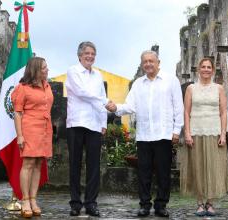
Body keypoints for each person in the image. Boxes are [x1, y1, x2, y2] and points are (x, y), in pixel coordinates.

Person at [106, 50, 184, 218]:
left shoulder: (171, 81)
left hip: (163, 134)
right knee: (144, 172)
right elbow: (129, 106)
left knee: (163, 173)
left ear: (158, 62)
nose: (148, 64)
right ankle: (144, 205)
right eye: (145, 62)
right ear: (142, 64)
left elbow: (179, 107)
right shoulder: (138, 84)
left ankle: (161, 205)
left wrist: (176, 131)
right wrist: (116, 108)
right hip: (144, 135)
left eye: (151, 61)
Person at [180, 57, 228, 217]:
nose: (206, 69)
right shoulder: (191, 89)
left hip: (214, 133)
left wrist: (223, 133)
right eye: (203, 67)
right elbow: (186, 112)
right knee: (198, 167)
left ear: (213, 70)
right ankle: (200, 203)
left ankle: (210, 203)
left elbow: (223, 112)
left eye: (209, 67)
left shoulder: (219, 88)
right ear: (198, 70)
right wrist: (187, 132)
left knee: (214, 167)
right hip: (196, 132)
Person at [66, 41, 108, 217]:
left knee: (94, 166)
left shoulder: (98, 75)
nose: (90, 56)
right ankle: (75, 203)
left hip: (94, 124)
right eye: (87, 53)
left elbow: (102, 96)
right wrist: (104, 101)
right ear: (79, 56)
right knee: (75, 164)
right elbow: (82, 92)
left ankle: (91, 202)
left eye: (93, 54)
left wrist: (104, 122)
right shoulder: (73, 71)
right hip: (76, 122)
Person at [11, 57, 53, 218]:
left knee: (38, 163)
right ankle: (25, 200)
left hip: (44, 129)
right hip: (29, 129)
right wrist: (20, 136)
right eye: (44, 68)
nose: (47, 70)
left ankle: (34, 199)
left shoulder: (47, 86)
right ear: (35, 70)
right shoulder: (23, 88)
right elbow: (17, 113)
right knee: (28, 163)